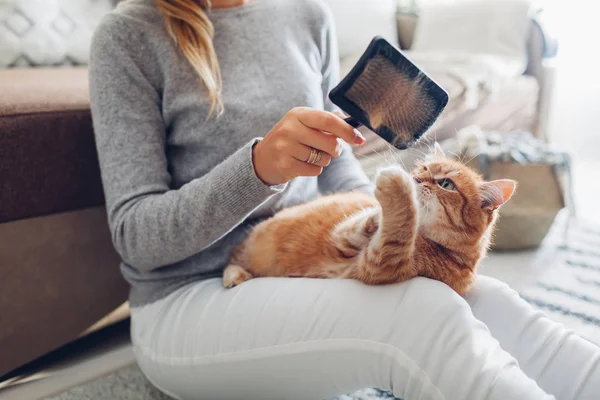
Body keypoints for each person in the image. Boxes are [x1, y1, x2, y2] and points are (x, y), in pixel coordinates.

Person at [89, 0, 600, 399]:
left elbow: (336, 162)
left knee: (486, 300)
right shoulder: (128, 35)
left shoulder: (306, 15)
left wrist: (389, 224)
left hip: (319, 265)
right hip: (192, 299)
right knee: (419, 314)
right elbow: (137, 238)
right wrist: (259, 169)